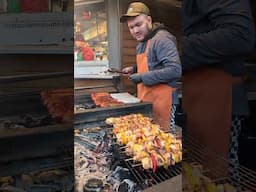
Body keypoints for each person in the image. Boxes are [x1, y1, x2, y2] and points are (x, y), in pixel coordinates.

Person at [181, 0, 255, 183]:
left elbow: (239, 35)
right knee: (196, 177)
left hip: (218, 98)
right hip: (196, 97)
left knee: (219, 178)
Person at [120, 2, 182, 132]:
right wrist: (134, 69)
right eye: (131, 27)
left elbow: (175, 70)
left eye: (138, 24)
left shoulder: (162, 39)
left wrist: (142, 76)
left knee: (165, 142)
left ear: (149, 20)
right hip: (147, 101)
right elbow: (152, 64)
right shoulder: (142, 43)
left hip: (164, 102)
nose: (135, 30)